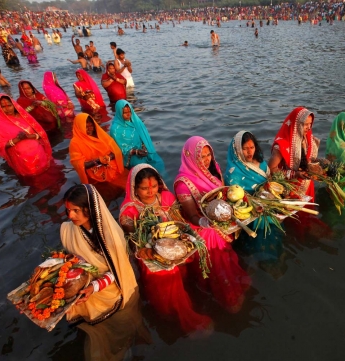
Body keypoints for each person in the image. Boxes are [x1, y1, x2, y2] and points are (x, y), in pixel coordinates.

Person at [119, 164, 212, 333]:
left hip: (175, 243)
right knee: (167, 273)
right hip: (150, 252)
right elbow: (135, 243)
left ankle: (198, 291)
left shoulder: (167, 198)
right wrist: (152, 249)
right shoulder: (130, 210)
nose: (151, 191)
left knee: (205, 243)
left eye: (154, 186)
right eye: (144, 188)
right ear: (134, 188)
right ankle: (176, 312)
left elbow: (180, 222)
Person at [174, 136, 250, 313]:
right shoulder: (183, 183)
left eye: (209, 154)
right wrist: (205, 221)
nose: (207, 159)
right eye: (202, 156)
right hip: (198, 223)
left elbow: (221, 194)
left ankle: (229, 279)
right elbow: (192, 215)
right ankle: (226, 292)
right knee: (212, 239)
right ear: (191, 157)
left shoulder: (212, 170)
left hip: (216, 216)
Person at [60, 184, 138, 324]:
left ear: (89, 210)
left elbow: (120, 271)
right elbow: (69, 261)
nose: (70, 215)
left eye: (75, 210)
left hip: (110, 291)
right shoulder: (67, 231)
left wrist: (94, 287)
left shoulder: (113, 238)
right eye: (68, 210)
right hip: (81, 288)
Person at [0, 94, 52, 177]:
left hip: (40, 154)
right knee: (35, 181)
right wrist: (18, 139)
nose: (8, 109)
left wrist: (28, 137)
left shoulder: (24, 115)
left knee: (50, 175)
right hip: (22, 161)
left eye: (9, 105)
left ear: (13, 104)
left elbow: (41, 134)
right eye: (3, 107)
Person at [267, 107, 320, 202]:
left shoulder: (308, 139)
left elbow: (310, 159)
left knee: (309, 214)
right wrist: (295, 174)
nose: (309, 127)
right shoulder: (282, 145)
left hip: (307, 185)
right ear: (296, 125)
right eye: (305, 124)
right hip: (290, 190)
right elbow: (271, 169)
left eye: (310, 124)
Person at [110, 100, 166, 176]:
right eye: (125, 113)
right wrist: (135, 151)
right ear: (120, 112)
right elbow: (120, 149)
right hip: (129, 156)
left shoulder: (135, 122)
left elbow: (143, 138)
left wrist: (144, 148)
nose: (128, 114)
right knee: (141, 166)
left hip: (142, 151)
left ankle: (164, 182)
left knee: (158, 162)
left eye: (130, 111)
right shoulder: (115, 129)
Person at [69, 113, 125, 187]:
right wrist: (98, 161)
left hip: (112, 168)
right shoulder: (75, 143)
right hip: (94, 174)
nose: (90, 129)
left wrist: (108, 157)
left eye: (91, 126)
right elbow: (78, 164)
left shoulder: (101, 135)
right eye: (86, 127)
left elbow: (116, 151)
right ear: (80, 128)